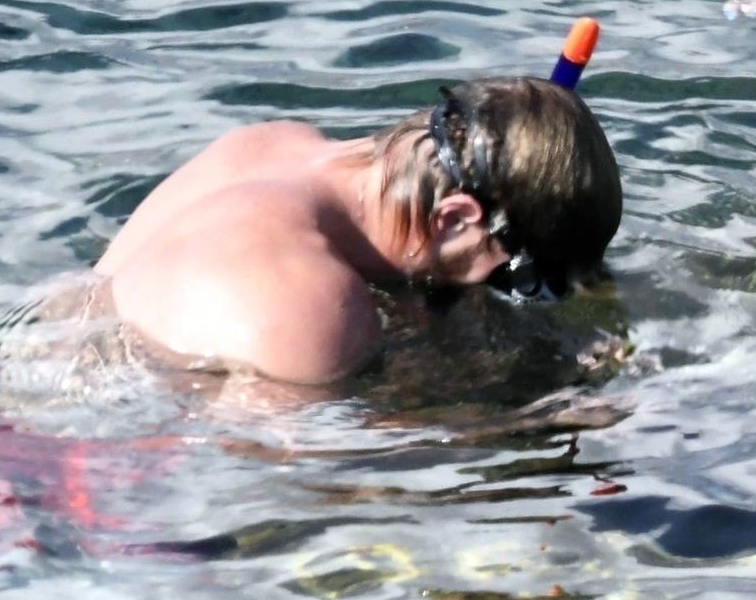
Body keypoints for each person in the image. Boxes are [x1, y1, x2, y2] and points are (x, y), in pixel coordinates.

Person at [92, 78, 622, 386]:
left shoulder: (269, 143)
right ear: (454, 218)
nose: (497, 286)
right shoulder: (313, 301)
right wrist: (541, 415)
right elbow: (305, 482)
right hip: (89, 487)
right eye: (517, 276)